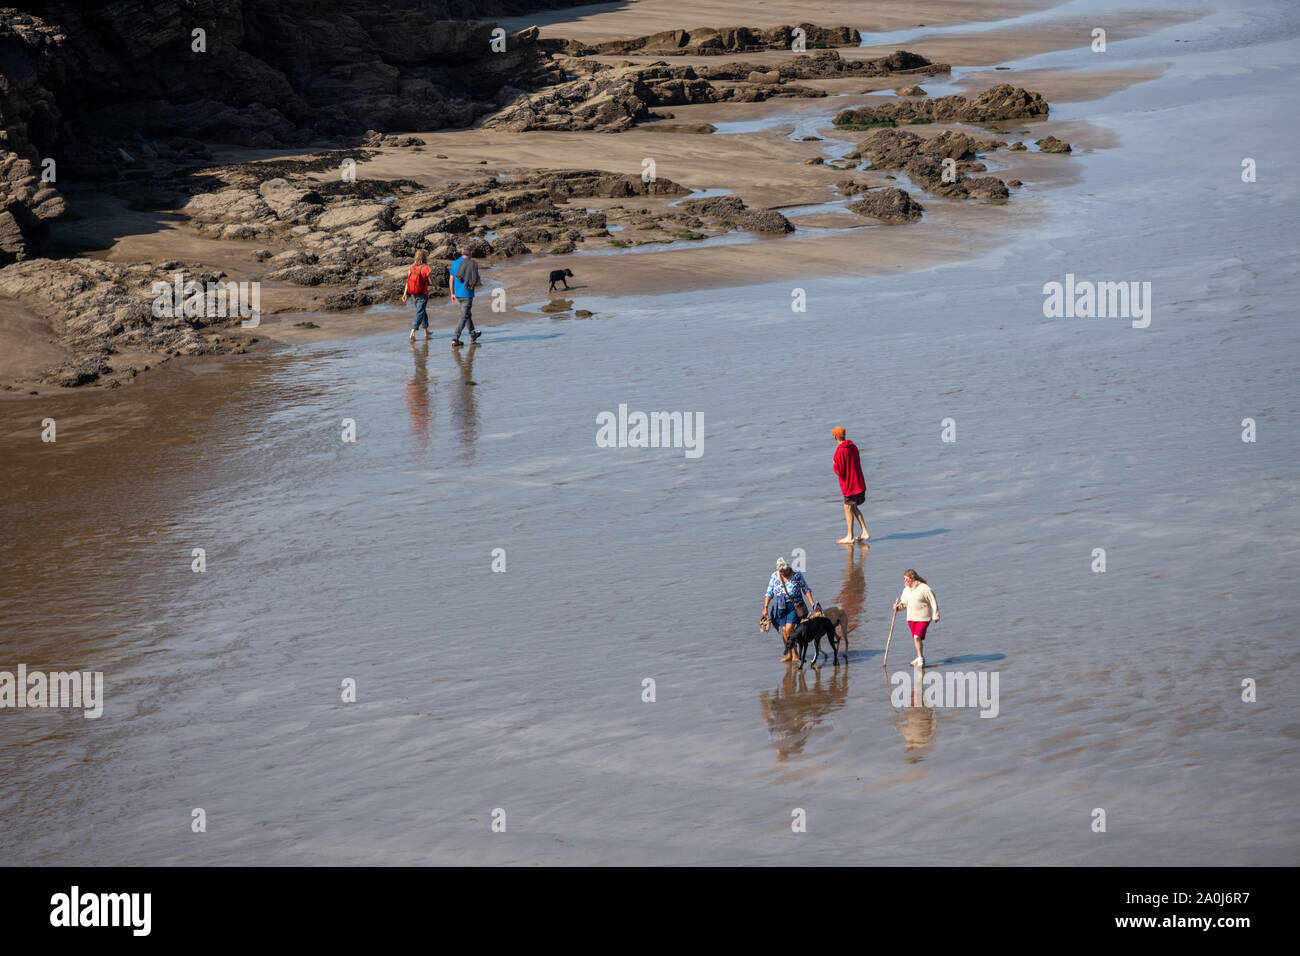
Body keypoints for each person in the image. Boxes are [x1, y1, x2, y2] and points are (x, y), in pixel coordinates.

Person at [762, 557, 816, 663]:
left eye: (785, 571)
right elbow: (769, 593)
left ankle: (795, 654)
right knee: (783, 631)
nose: (783, 573)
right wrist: (765, 608)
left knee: (788, 630)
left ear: (788, 568)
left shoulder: (797, 575)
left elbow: (806, 589)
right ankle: (789, 654)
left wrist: (813, 605)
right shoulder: (774, 576)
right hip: (779, 607)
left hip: (794, 606)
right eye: (781, 572)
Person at [893, 569, 939, 667]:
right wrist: (898, 608)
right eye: (904, 579)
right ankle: (919, 657)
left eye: (906, 579)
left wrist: (935, 614)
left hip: (923, 617)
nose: (904, 581)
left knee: (917, 637)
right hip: (911, 618)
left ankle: (921, 660)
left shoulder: (924, 588)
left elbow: (933, 601)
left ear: (912, 578)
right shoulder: (906, 590)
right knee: (916, 638)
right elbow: (904, 604)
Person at [831, 426, 868, 544]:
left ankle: (850, 536)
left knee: (847, 507)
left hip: (850, 486)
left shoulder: (839, 451)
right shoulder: (853, 446)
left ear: (835, 437)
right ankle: (865, 532)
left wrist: (834, 464)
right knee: (853, 507)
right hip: (859, 483)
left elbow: (840, 472)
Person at [449, 243, 482, 347]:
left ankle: (473, 335)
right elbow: (477, 280)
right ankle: (455, 338)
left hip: (458, 294)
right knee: (464, 316)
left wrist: (452, 293)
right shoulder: (472, 263)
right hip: (467, 294)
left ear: (462, 253)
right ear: (470, 253)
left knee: (467, 314)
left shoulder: (455, 263)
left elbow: (451, 279)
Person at [403, 250, 433, 341]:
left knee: (421, 311)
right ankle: (412, 332)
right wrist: (436, 286)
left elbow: (408, 281)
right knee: (419, 312)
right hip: (423, 294)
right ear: (425, 257)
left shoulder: (411, 267)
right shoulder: (426, 268)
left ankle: (426, 330)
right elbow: (431, 281)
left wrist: (405, 293)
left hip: (413, 293)